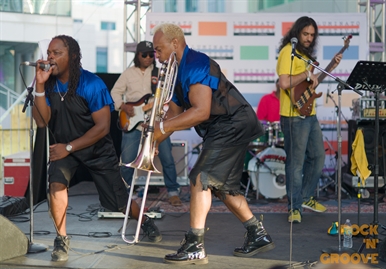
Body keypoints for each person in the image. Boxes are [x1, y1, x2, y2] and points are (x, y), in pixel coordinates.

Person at [152, 23, 275, 265]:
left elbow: (200, 111)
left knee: (201, 177)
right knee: (221, 186)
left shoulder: (196, 62)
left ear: (175, 43)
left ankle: (195, 246)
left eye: (159, 49)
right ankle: (257, 234)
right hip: (221, 127)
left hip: (232, 123)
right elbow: (174, 116)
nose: (156, 55)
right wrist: (154, 140)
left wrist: (163, 129)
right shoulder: (175, 72)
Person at [32, 35, 161, 262]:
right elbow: (42, 122)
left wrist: (70, 147)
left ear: (72, 56)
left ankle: (144, 220)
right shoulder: (49, 83)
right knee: (56, 185)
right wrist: (40, 87)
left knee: (118, 203)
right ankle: (61, 239)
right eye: (49, 53)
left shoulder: (91, 83)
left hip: (96, 149)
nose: (50, 57)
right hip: (64, 149)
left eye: (57, 53)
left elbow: (103, 128)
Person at [276, 16, 342, 223]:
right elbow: (284, 82)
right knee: (295, 164)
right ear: (297, 32)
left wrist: (329, 68)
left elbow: (309, 86)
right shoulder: (289, 51)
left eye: (312, 35)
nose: (309, 38)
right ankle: (294, 208)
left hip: (308, 113)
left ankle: (305, 197)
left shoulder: (306, 56)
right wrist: (305, 74)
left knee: (318, 157)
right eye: (305, 34)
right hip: (292, 116)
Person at [111, 41, 182, 207]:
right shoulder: (128, 73)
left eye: (152, 54)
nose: (149, 58)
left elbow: (166, 96)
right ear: (138, 55)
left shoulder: (159, 73)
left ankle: (173, 191)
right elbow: (115, 92)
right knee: (127, 159)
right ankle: (125, 194)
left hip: (155, 121)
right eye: (145, 55)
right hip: (132, 122)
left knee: (167, 157)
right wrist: (123, 106)